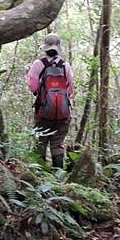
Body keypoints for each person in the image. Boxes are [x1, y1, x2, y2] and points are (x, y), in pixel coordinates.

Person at [25, 33, 74, 168]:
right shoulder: (65, 65)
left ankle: (40, 176)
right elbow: (70, 90)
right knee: (57, 144)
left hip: (43, 112)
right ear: (59, 48)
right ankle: (58, 176)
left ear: (45, 48)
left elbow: (33, 88)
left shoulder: (38, 64)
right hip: (63, 114)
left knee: (41, 142)